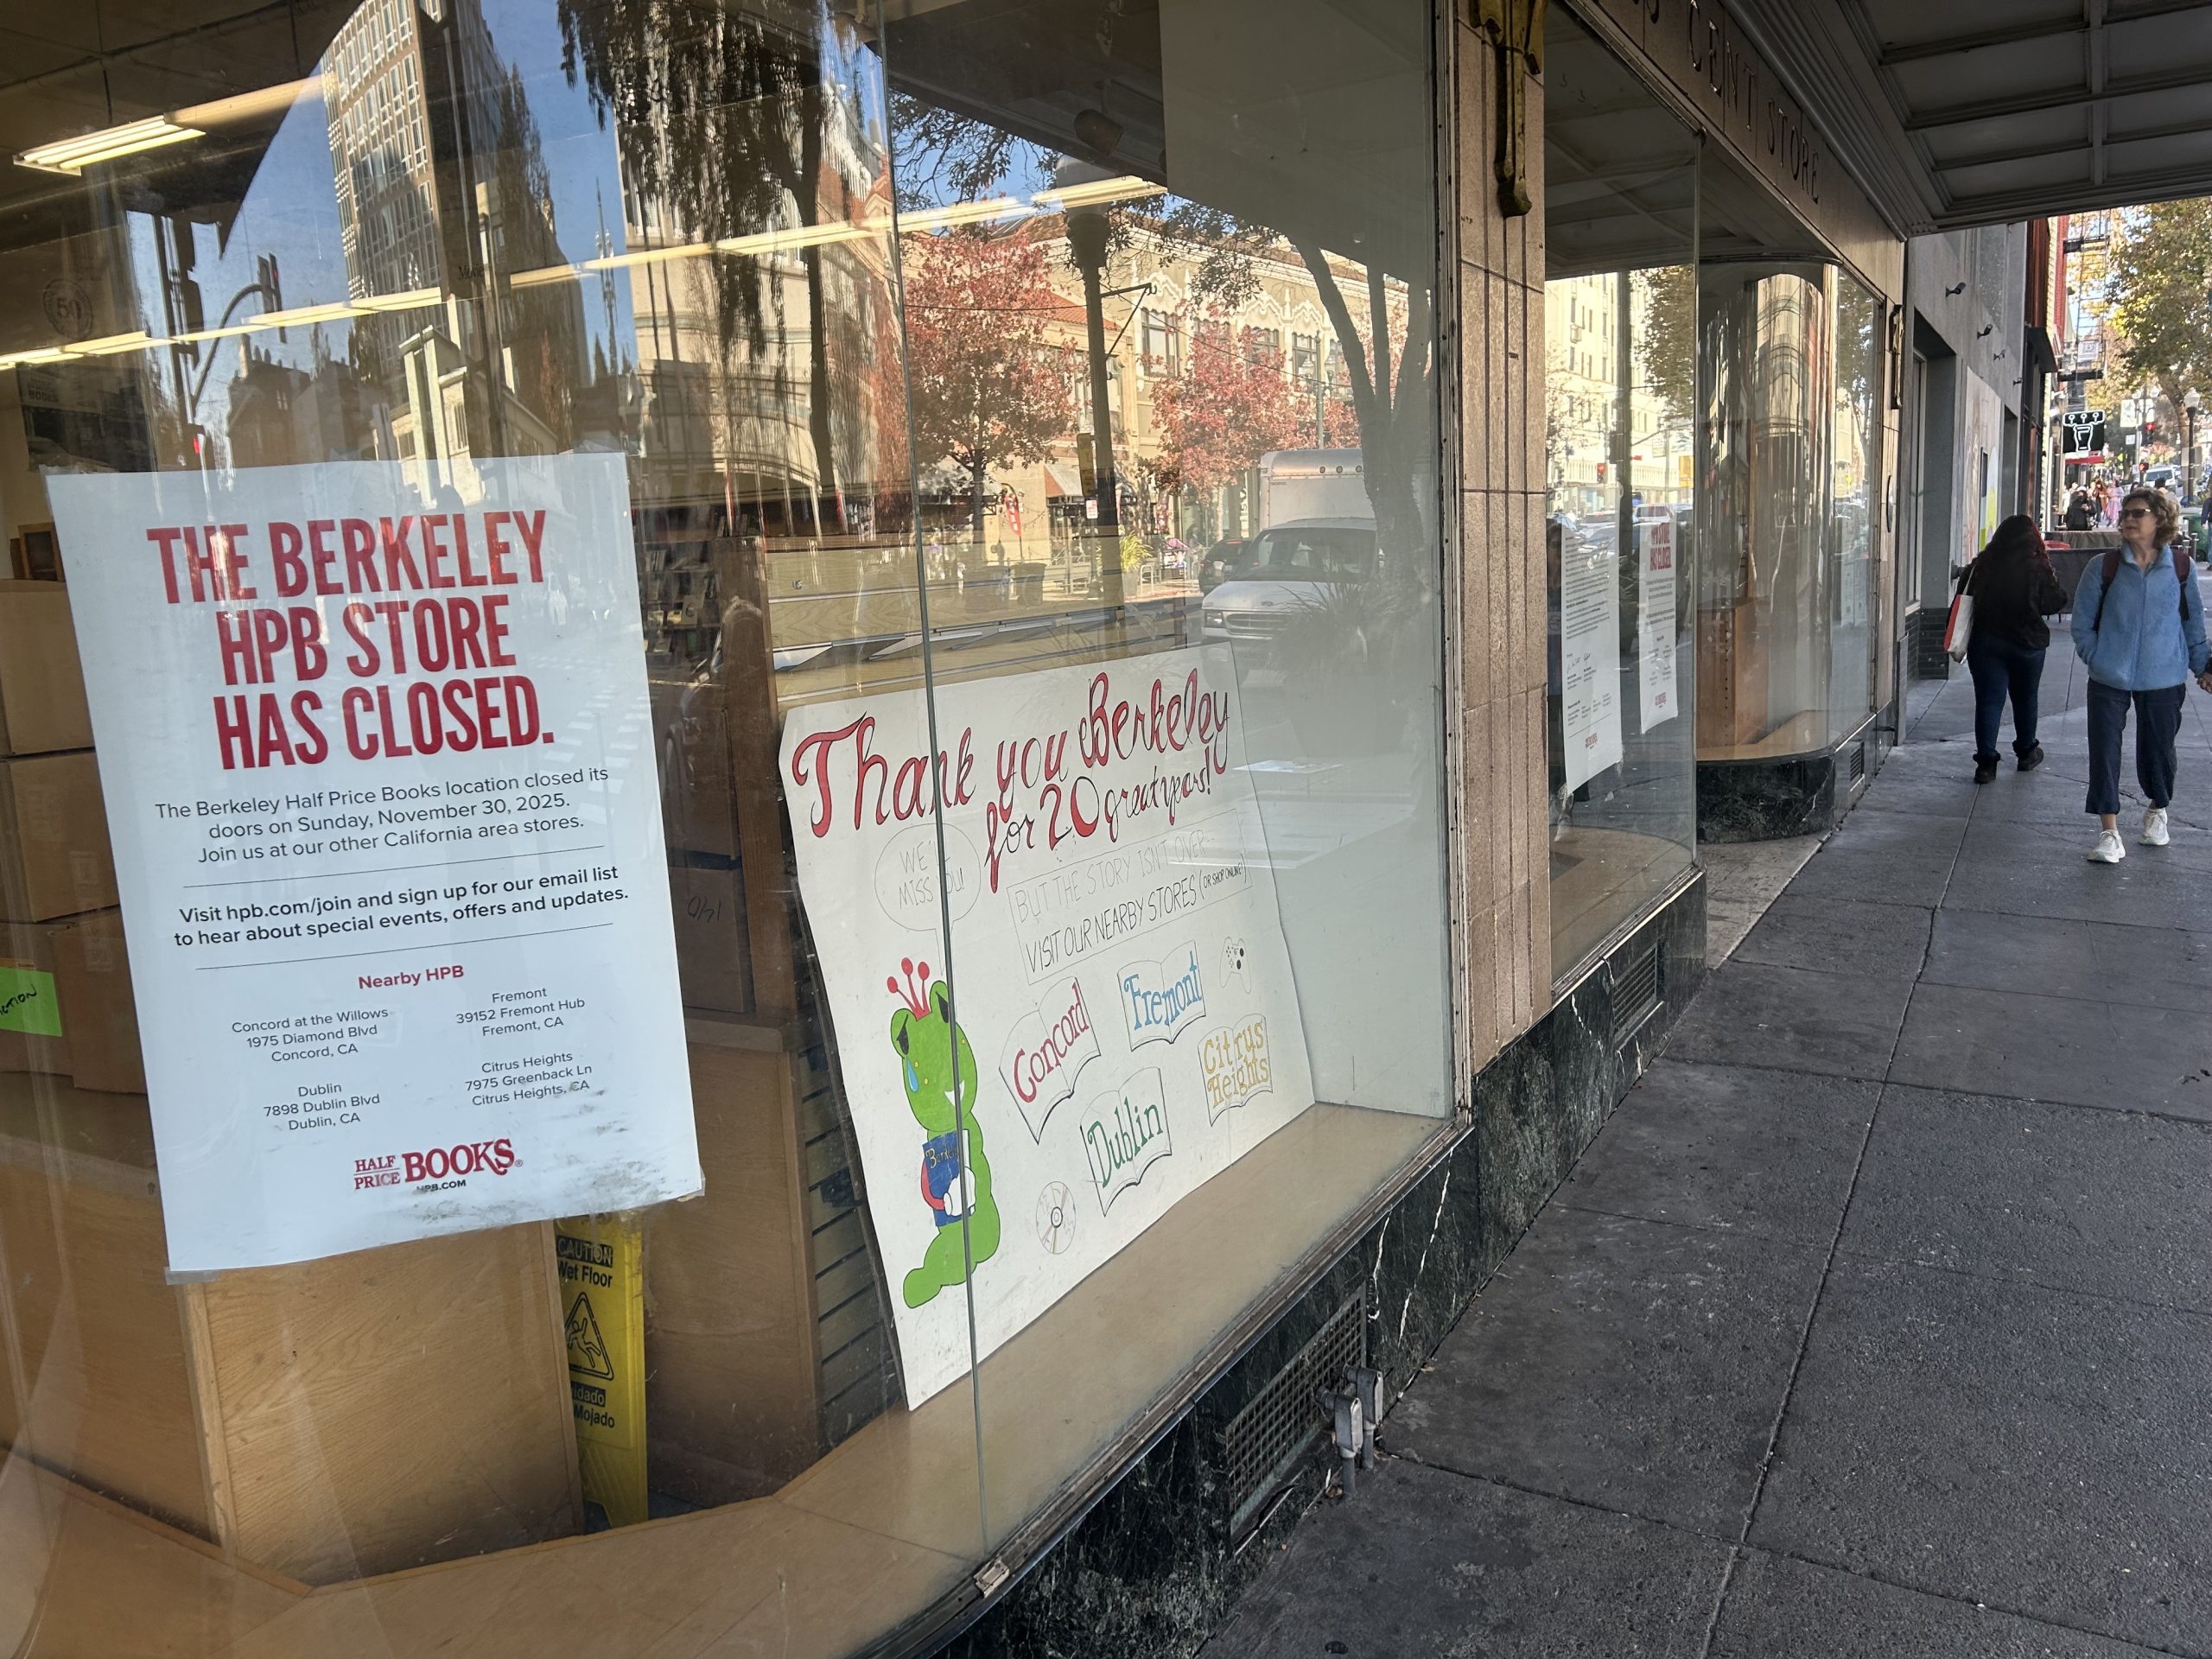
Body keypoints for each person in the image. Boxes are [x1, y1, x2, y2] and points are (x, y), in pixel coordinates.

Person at [2069, 486, 2212, 862]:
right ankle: (2109, 832)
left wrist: (2204, 666)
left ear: (2159, 519)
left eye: (2138, 513)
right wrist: (2096, 657)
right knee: (2104, 752)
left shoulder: (2180, 568)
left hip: (2163, 676)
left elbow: (2192, 623)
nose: (2128, 519)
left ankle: (2157, 809)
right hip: (2108, 676)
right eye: (2126, 513)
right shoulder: (2103, 566)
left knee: (2159, 751)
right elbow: (2082, 622)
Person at [1961, 515, 2068, 784]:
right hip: (2027, 644)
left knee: (1988, 701)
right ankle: (2026, 752)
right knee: (2026, 699)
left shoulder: (1981, 565)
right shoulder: (2037, 568)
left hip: (1986, 643)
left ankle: (1986, 764)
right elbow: (2054, 602)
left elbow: (1963, 595)